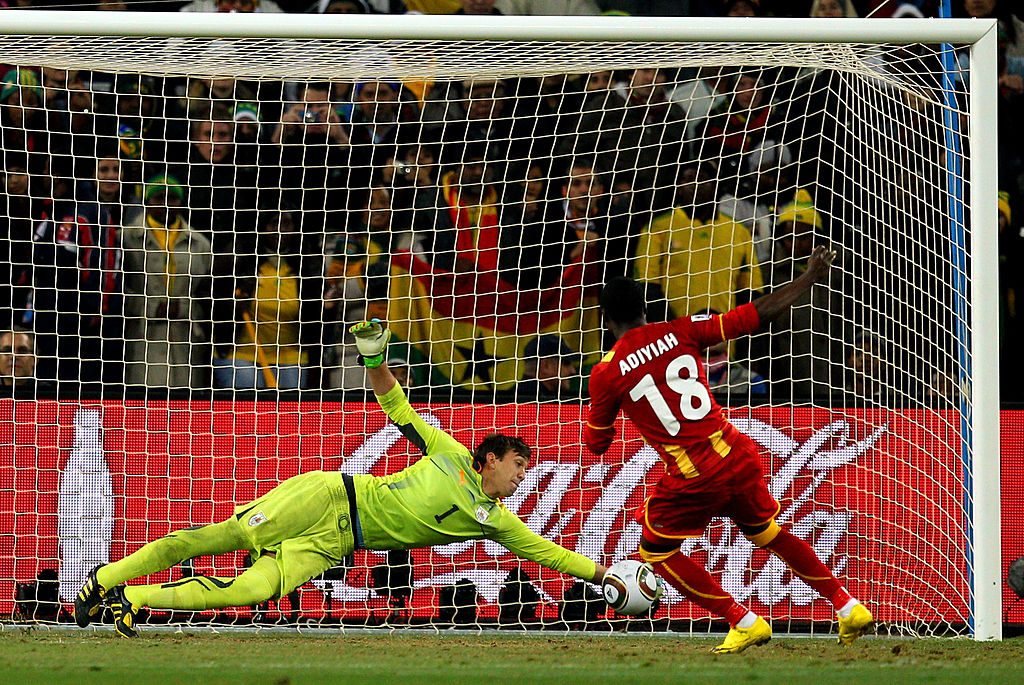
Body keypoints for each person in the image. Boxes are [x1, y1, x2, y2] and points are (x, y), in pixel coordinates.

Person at [76, 319, 607, 637]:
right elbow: (395, 404)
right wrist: (374, 357)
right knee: (219, 538)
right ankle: (101, 579)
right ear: (490, 458)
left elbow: (550, 553)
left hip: (336, 543)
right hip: (329, 495)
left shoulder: (493, 520)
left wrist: (602, 575)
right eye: (518, 466)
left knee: (251, 588)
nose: (522, 478)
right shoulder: (447, 451)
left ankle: (138, 599)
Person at [584, 247, 872, 654]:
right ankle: (847, 605)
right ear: (647, 308)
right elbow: (755, 313)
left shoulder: (606, 371)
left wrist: (614, 411)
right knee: (768, 531)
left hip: (694, 473)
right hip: (736, 453)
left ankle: (744, 620)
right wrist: (808, 278)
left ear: (604, 319)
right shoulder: (682, 330)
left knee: (656, 550)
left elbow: (598, 444)